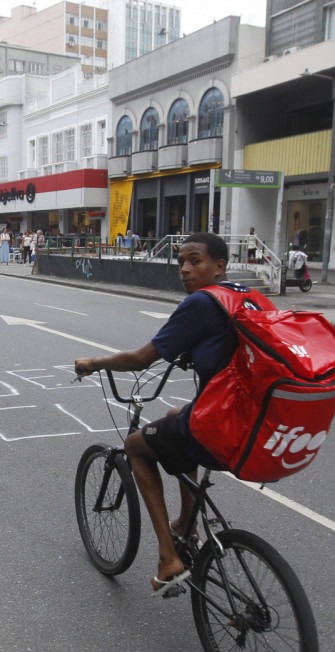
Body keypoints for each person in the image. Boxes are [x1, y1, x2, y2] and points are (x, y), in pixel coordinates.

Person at [73, 233, 237, 596]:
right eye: (181, 262)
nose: (185, 269)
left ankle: (168, 557)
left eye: (195, 261)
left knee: (136, 445)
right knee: (178, 414)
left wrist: (94, 362)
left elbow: (141, 359)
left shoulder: (201, 303)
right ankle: (187, 525)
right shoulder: (246, 298)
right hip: (253, 422)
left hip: (221, 426)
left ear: (219, 266)